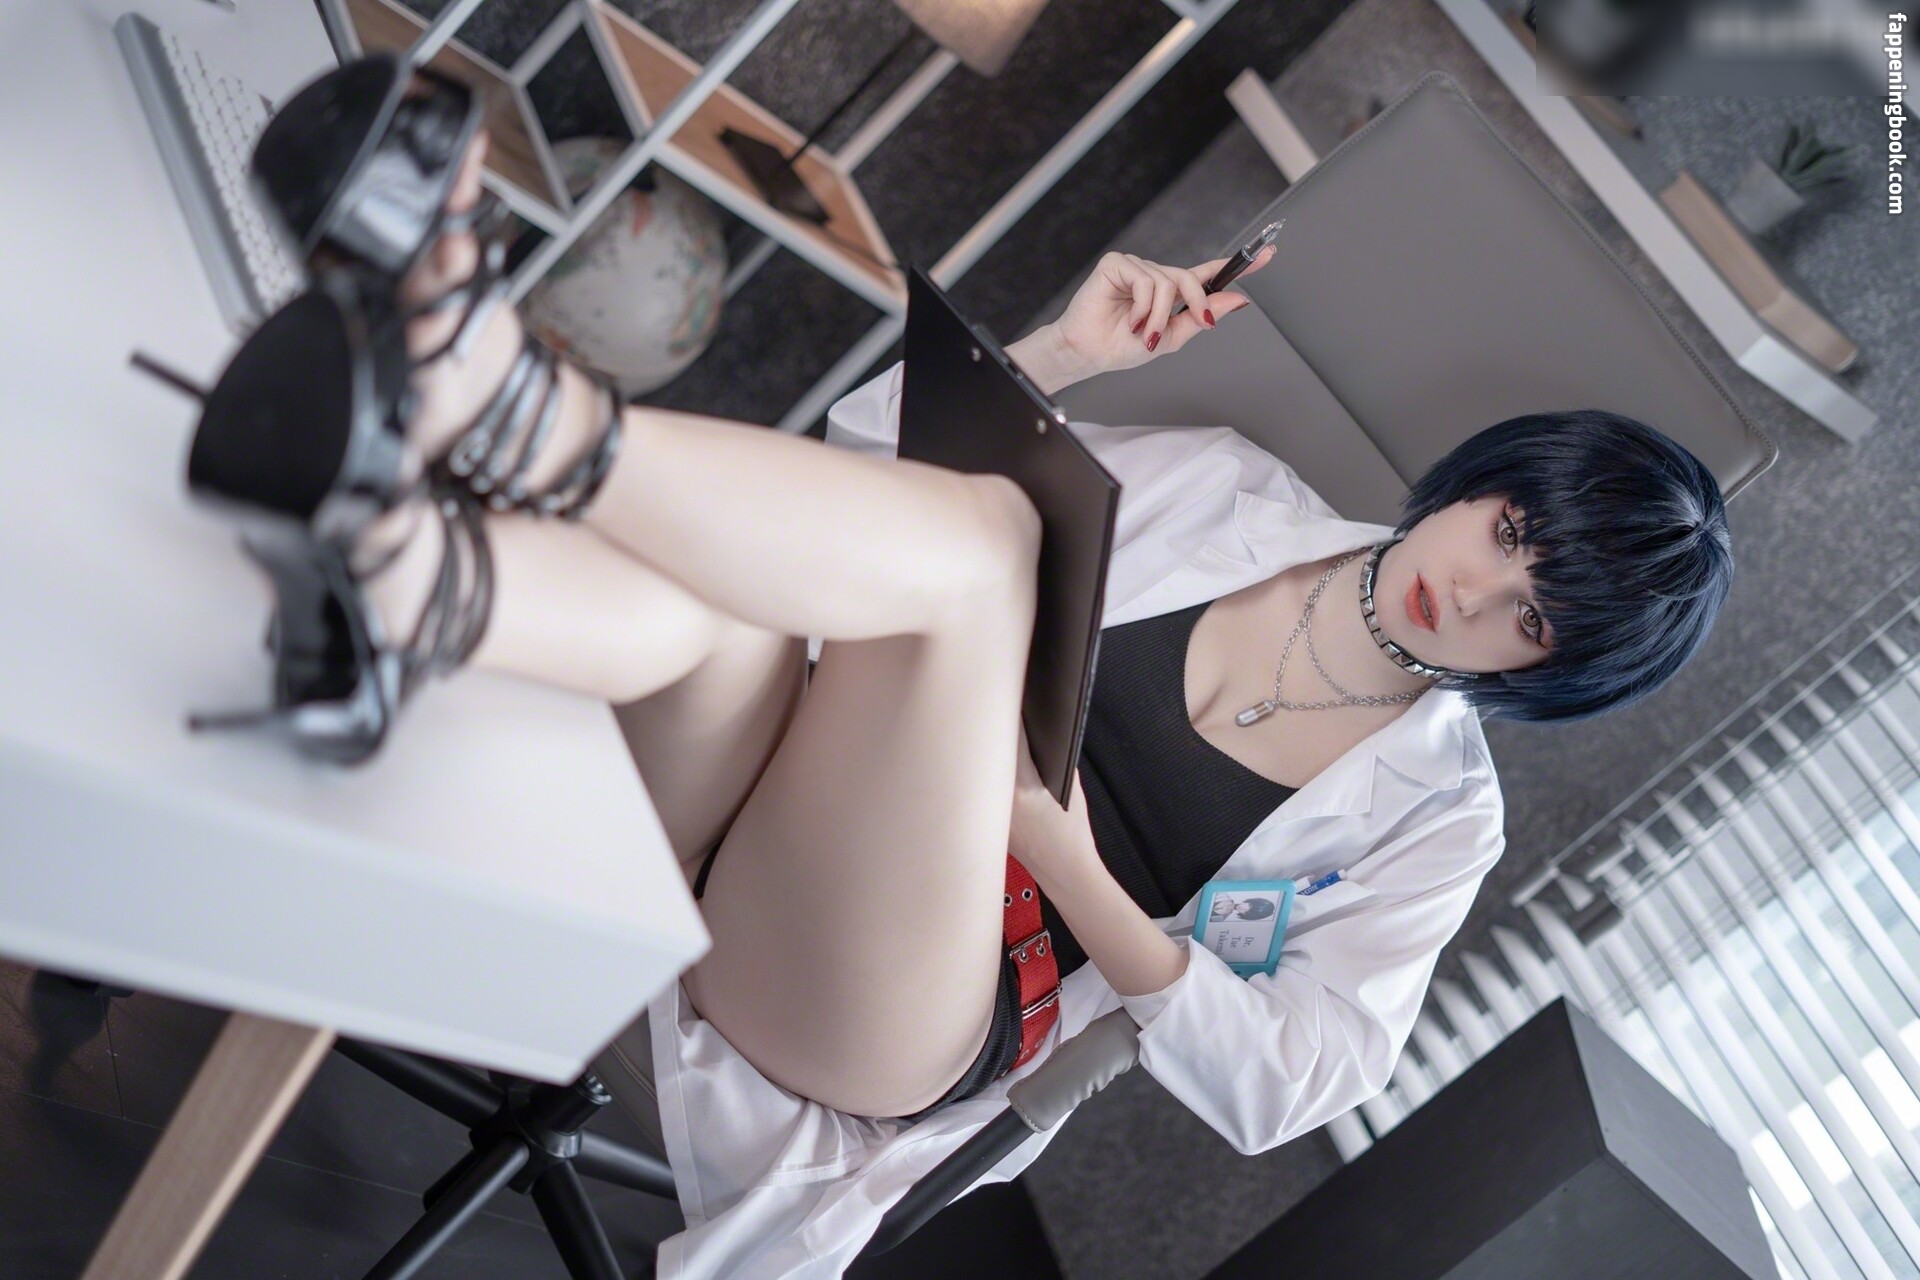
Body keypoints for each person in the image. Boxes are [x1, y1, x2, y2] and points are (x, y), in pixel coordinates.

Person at [192, 60, 1733, 1280]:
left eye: (1531, 619)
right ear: (1481, 479)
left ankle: (482, 393)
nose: (1475, 587)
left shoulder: (1438, 816)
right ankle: (394, 574)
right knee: (741, 605)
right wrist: (1064, 358)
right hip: (760, 800)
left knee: (992, 549)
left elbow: (1295, 1083)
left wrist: (1067, 863)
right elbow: (846, 485)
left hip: (902, 1007)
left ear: (1548, 674)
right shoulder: (1231, 488)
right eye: (1509, 530)